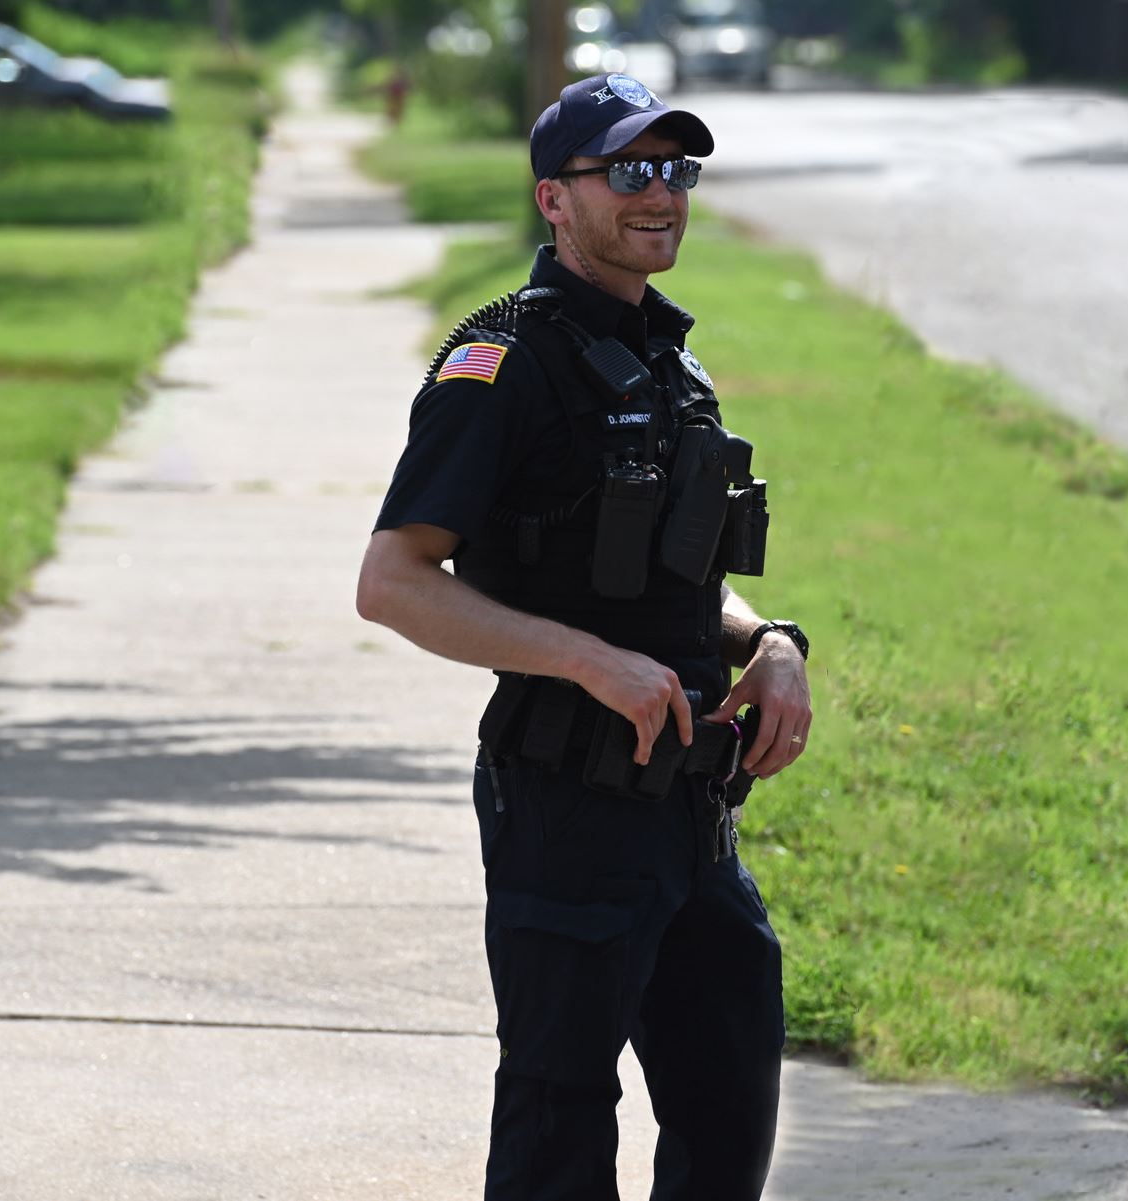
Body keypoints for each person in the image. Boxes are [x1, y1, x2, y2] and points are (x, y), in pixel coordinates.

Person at [356, 71, 812, 1200]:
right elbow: (394, 582)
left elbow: (673, 584)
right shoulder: (501, 365)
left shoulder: (668, 363)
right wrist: (583, 659)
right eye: (628, 172)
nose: (660, 196)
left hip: (693, 819)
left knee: (728, 1107)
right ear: (554, 198)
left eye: (674, 170)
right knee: (560, 1132)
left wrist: (773, 641)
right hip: (565, 807)